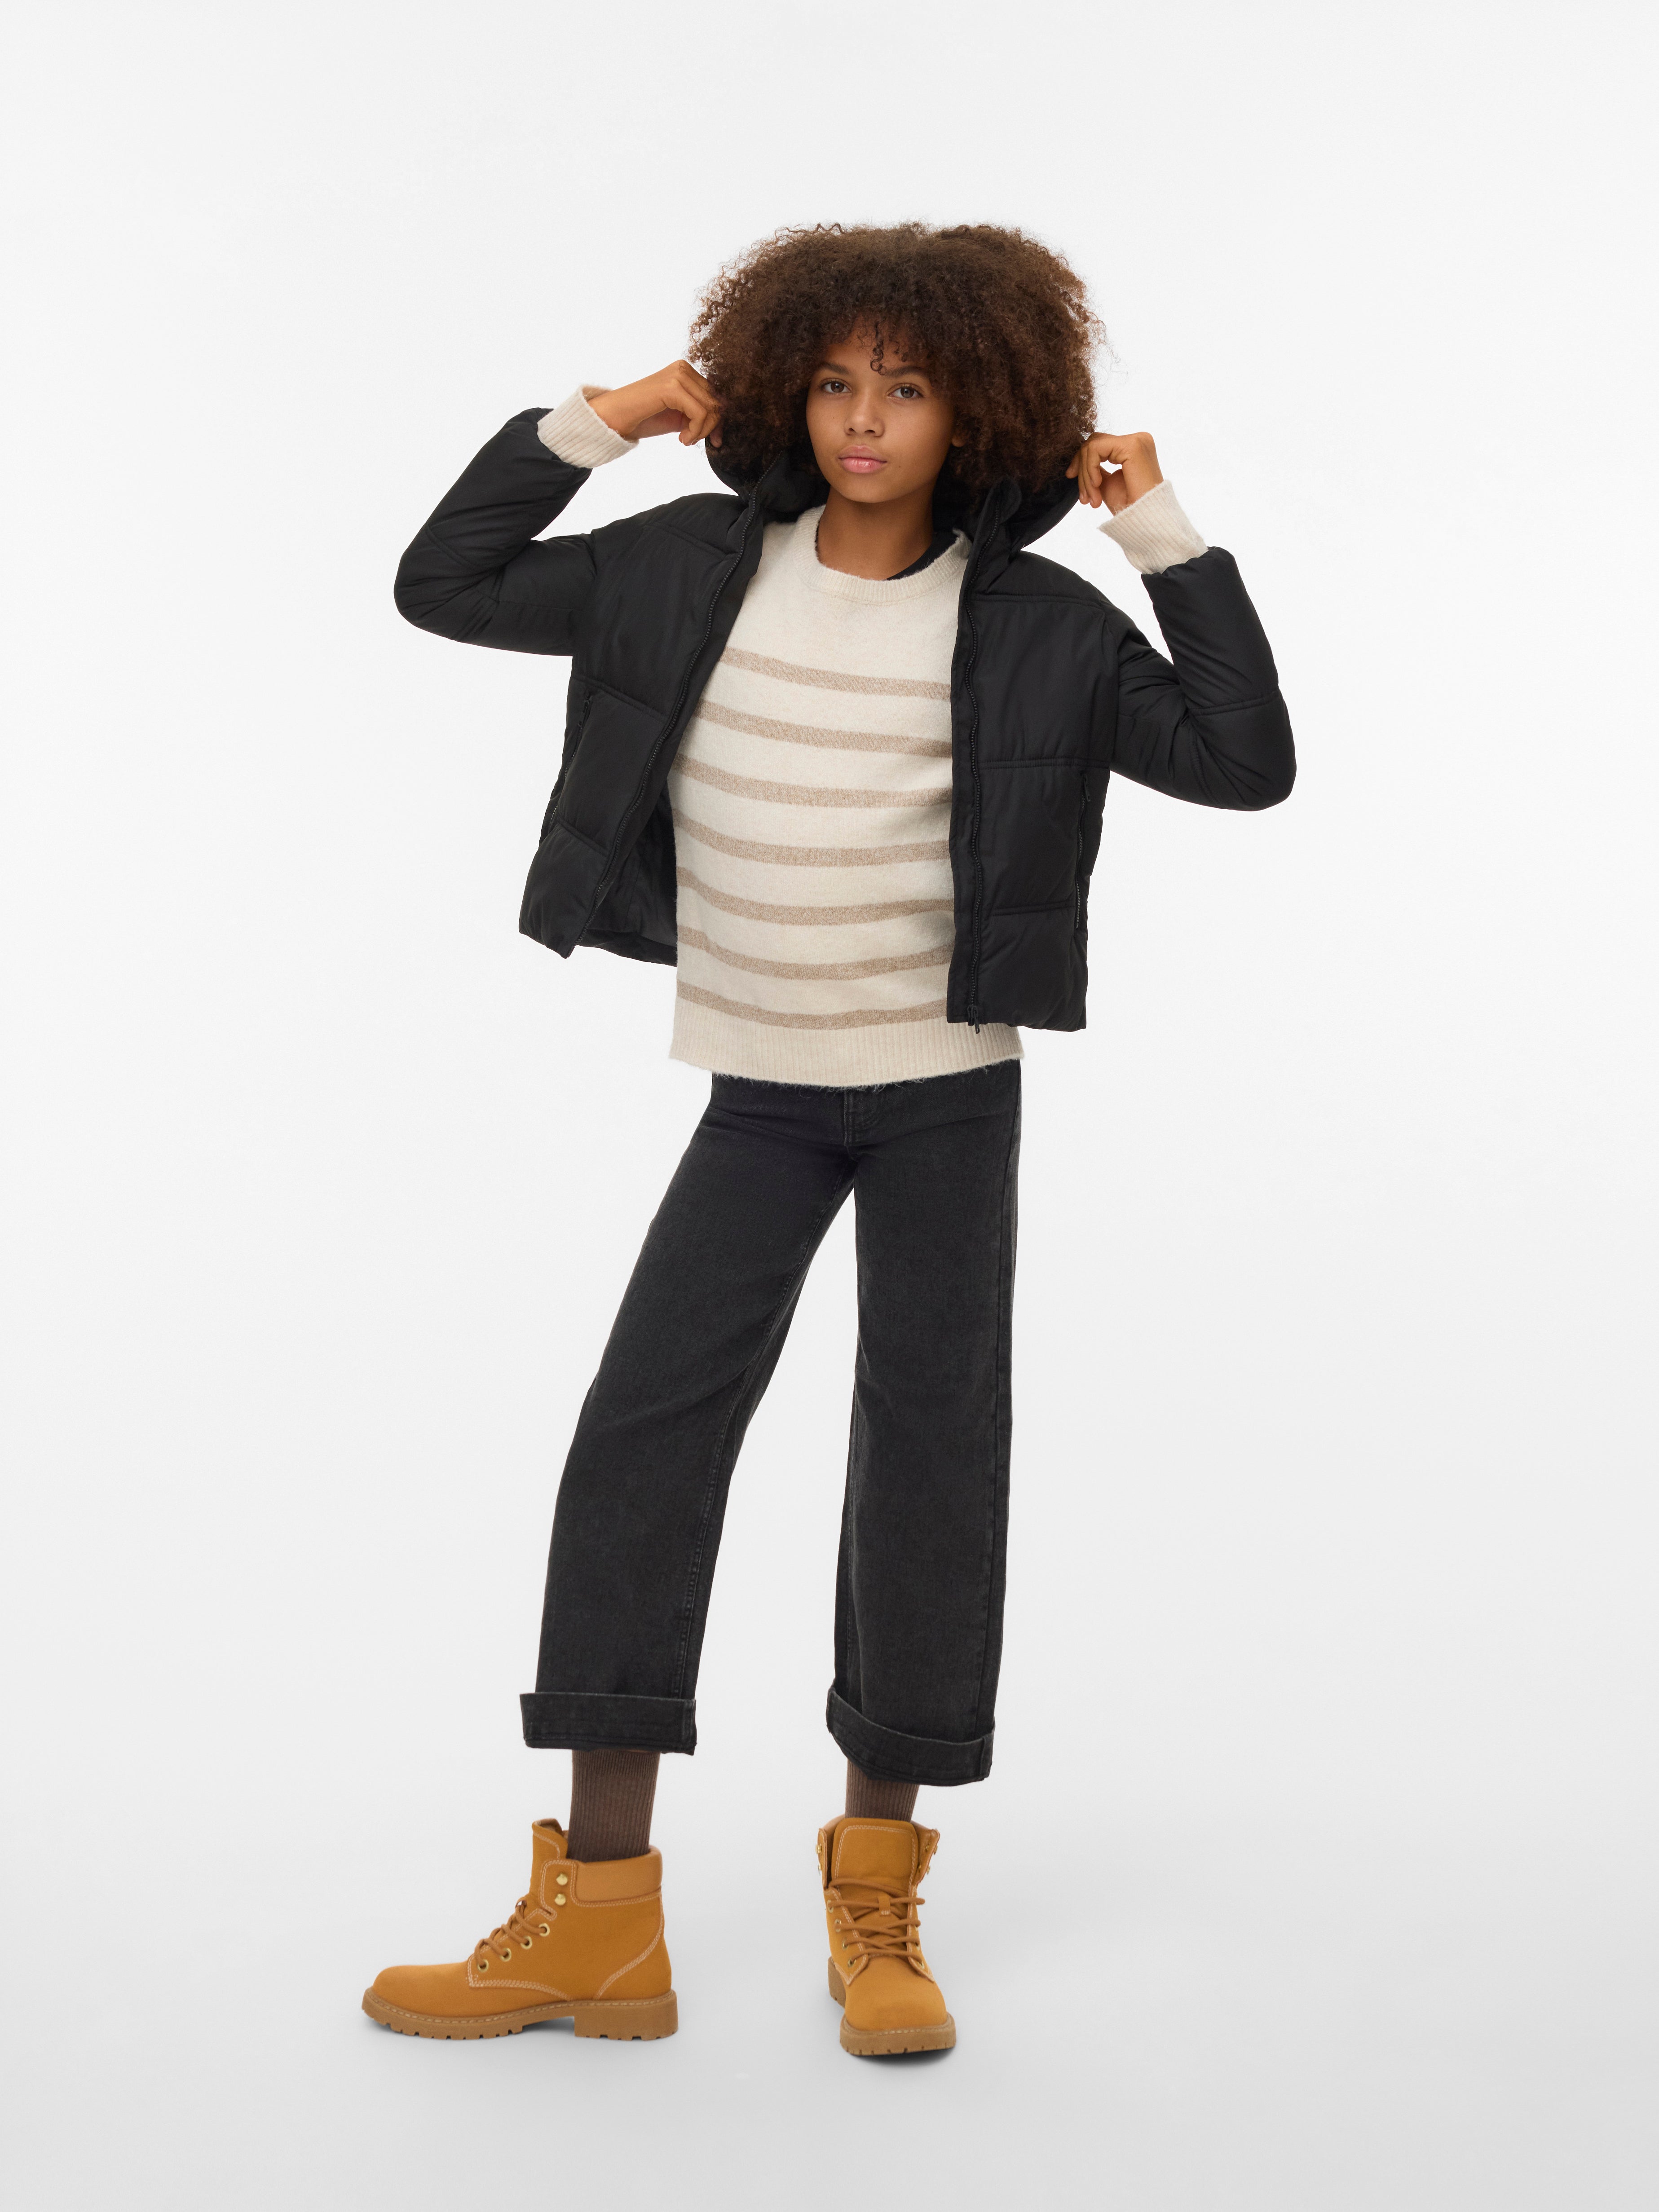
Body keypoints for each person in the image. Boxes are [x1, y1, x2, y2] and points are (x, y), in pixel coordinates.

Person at [362, 222, 1294, 2058]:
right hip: (763, 1095)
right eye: (837, 381)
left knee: (927, 1464)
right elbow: (443, 585)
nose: (866, 420)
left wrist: (1161, 533)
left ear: (979, 411)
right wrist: (601, 419)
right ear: (790, 389)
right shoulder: (685, 567)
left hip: (946, 1096)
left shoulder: (1039, 624)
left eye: (912, 387)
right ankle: (598, 1922)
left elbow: (1245, 758)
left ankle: (879, 1898)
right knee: (640, 1442)